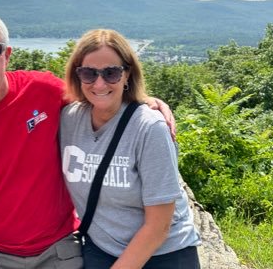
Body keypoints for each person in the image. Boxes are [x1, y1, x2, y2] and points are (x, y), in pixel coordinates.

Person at [0, 7, 175, 269]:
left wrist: (144, 103)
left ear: (7, 55)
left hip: (60, 251)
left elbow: (99, 94)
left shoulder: (43, 91)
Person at [60, 29, 201, 269]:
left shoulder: (150, 128)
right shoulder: (68, 119)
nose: (100, 83)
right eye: (88, 73)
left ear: (127, 74)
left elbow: (159, 226)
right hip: (101, 249)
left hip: (163, 255)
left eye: (111, 73)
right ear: (77, 75)